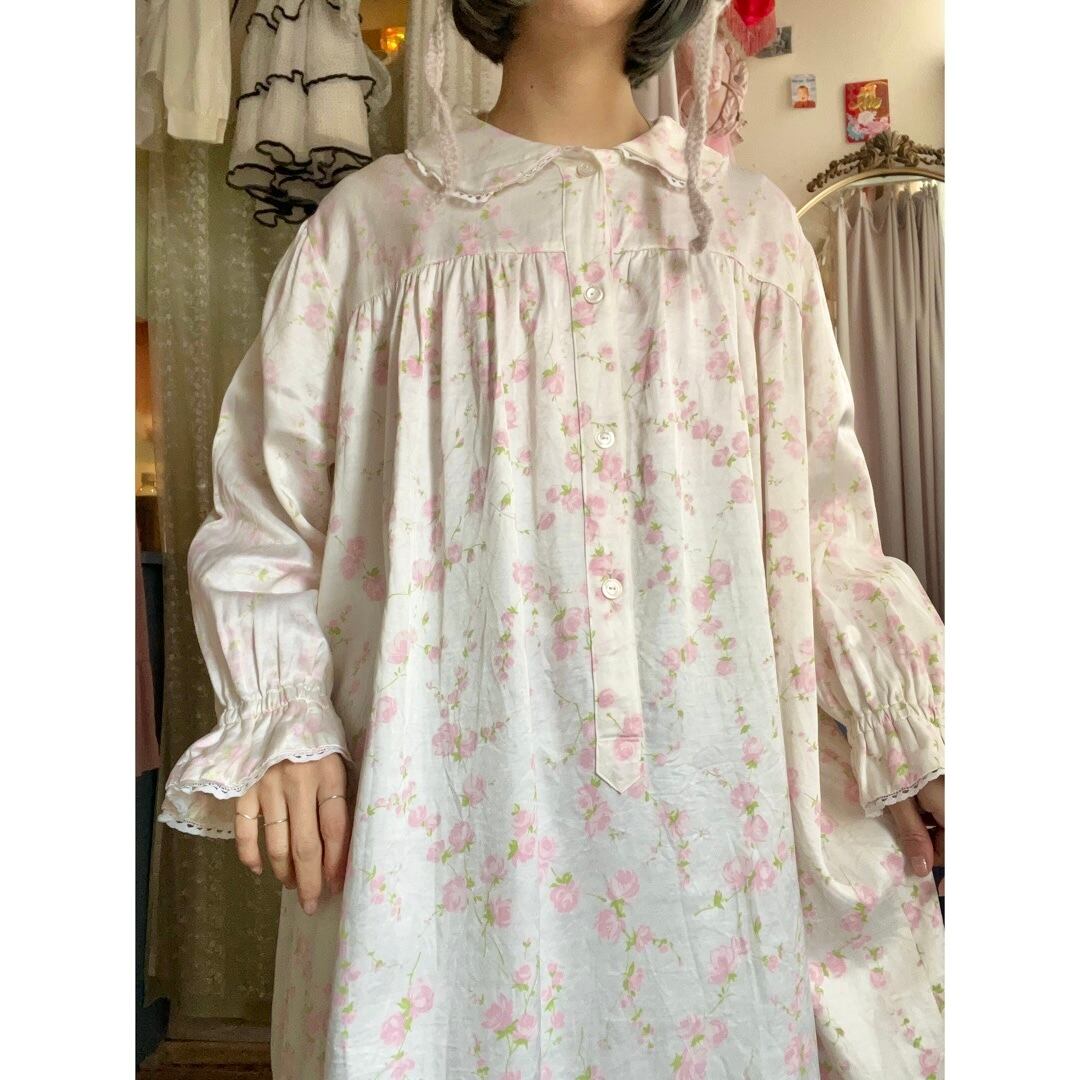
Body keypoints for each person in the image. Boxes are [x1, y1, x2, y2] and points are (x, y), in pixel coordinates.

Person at [158, 2, 945, 1077]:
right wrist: (285, 713)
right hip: (440, 840)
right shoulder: (372, 231)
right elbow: (265, 509)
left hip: (708, 831)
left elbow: (826, 536)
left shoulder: (747, 236)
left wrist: (919, 726)